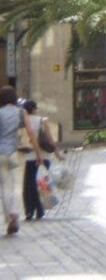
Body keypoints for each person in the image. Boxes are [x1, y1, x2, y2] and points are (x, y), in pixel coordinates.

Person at [0, 85, 42, 235]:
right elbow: (30, 133)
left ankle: (8, 216)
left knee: (5, 186)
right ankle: (14, 212)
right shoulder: (21, 112)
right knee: (16, 185)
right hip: (14, 153)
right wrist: (38, 153)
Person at [22, 100, 64, 221]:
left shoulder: (24, 121)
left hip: (30, 156)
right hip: (44, 156)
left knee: (29, 185)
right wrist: (57, 153)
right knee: (42, 185)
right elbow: (50, 139)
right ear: (35, 109)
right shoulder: (42, 121)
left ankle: (29, 211)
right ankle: (40, 210)